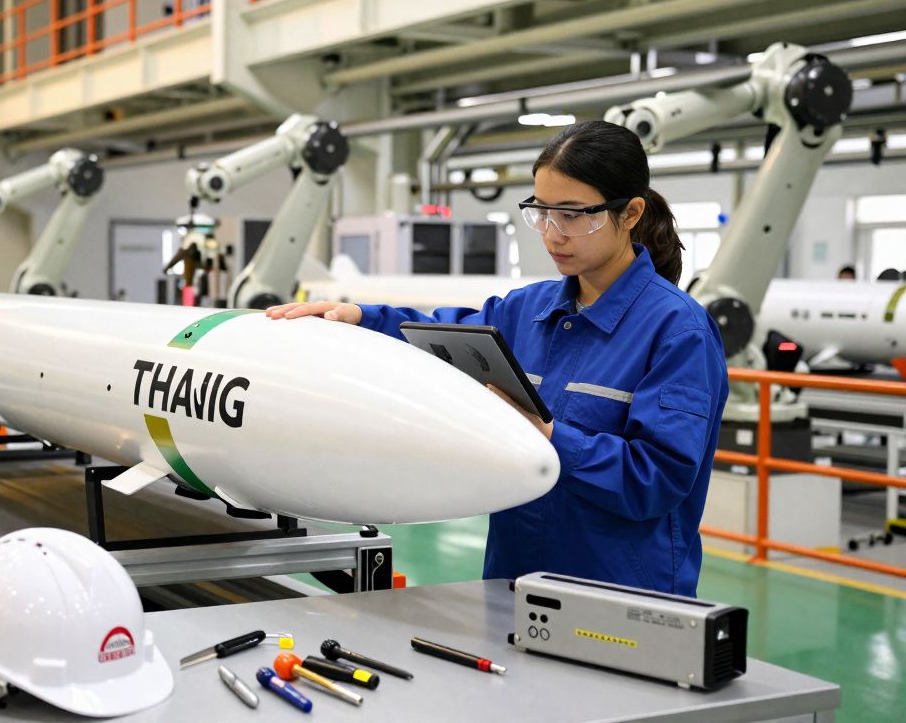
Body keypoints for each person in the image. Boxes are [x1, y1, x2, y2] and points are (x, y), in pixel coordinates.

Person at [267, 120, 728, 597]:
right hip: (514, 582)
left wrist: (548, 435)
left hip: (620, 597)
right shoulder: (526, 311)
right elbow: (439, 338)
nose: (553, 235)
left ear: (630, 213)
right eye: (542, 213)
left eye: (572, 215)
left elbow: (655, 480)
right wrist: (359, 318)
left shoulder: (677, 332)